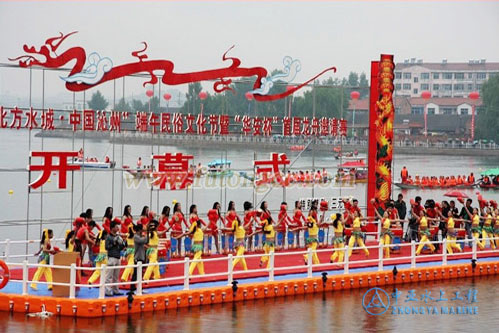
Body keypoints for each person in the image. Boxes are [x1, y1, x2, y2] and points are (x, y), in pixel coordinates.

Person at [130, 224, 148, 294]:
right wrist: (147, 235)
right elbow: (142, 241)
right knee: (135, 274)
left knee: (140, 274)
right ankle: (132, 288)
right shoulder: (136, 237)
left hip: (141, 256)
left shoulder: (139, 236)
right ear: (139, 230)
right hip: (138, 257)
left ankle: (139, 288)